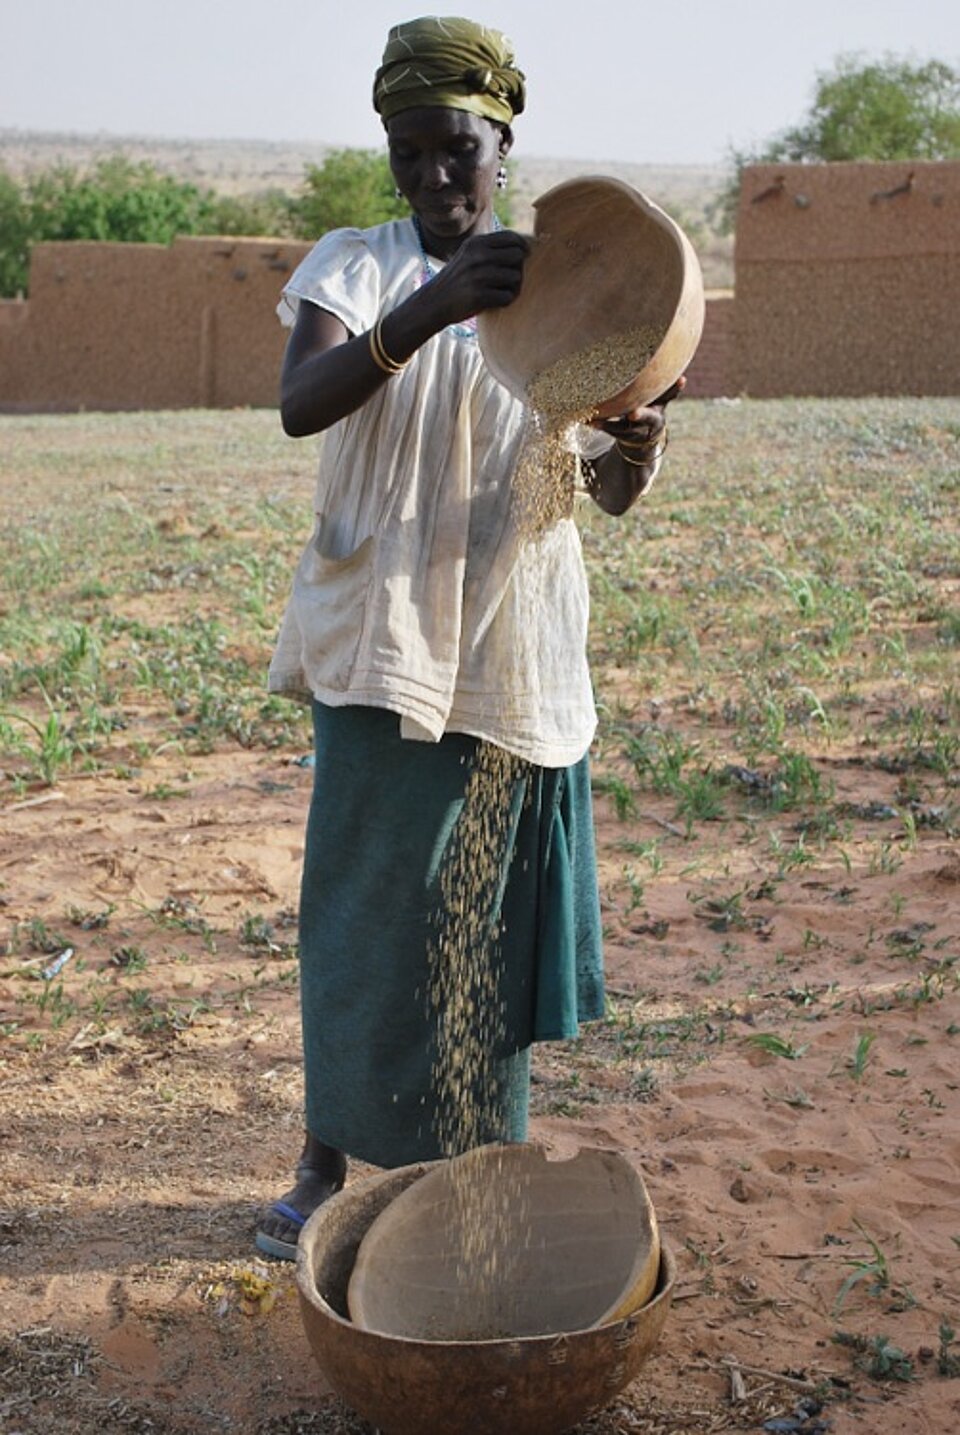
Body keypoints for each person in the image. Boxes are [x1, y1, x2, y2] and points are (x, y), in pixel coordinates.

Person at [255, 14, 682, 1260]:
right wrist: (428, 308)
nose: (435, 177)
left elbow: (596, 486)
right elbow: (299, 404)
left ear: (506, 143)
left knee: (476, 927)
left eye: (459, 151)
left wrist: (639, 443)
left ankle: (473, 1166)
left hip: (511, 651)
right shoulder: (357, 264)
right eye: (411, 152)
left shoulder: (571, 290)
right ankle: (323, 1154)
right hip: (381, 636)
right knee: (361, 908)